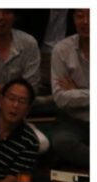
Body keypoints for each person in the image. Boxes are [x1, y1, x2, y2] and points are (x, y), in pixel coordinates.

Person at [50, 9, 89, 169]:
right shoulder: (62, 49)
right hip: (73, 118)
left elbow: (69, 96)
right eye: (80, 15)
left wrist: (77, 90)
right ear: (73, 18)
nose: (85, 21)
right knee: (62, 141)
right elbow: (60, 97)